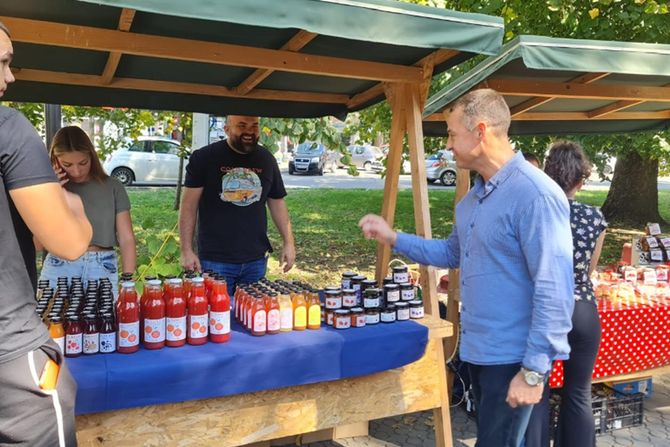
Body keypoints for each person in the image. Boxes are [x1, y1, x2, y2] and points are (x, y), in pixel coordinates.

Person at [359, 89, 575, 447]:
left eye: (451, 133)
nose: (447, 144)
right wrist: (393, 237)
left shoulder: (535, 195)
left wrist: (534, 372)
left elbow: (554, 290)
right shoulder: (473, 198)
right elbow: (452, 252)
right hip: (478, 352)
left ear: (480, 130)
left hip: (514, 361)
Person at [0, 20, 93, 446]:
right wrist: (70, 204)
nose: (10, 76)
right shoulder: (8, 129)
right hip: (12, 357)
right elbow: (69, 243)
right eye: (2, 63)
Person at [525, 141, 606, 447]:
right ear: (580, 181)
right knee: (578, 392)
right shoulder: (595, 218)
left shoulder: (536, 212)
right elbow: (588, 272)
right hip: (582, 309)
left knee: (537, 388)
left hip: (543, 308)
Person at [180, 115, 295, 294]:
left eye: (254, 126)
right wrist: (186, 250)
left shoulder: (267, 160)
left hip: (255, 260)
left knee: (251, 317)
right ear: (226, 129)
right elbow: (188, 207)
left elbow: (277, 202)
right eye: (242, 126)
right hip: (215, 260)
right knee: (217, 318)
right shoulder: (204, 158)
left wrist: (289, 242)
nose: (249, 131)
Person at [38, 126, 137, 296]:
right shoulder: (47, 190)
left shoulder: (112, 187)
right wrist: (51, 193)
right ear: (55, 160)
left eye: (83, 163)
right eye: (67, 164)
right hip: (59, 265)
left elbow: (126, 238)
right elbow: (38, 244)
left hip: (102, 267)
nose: (76, 171)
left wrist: (128, 281)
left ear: (92, 155)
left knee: (103, 323)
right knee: (51, 322)